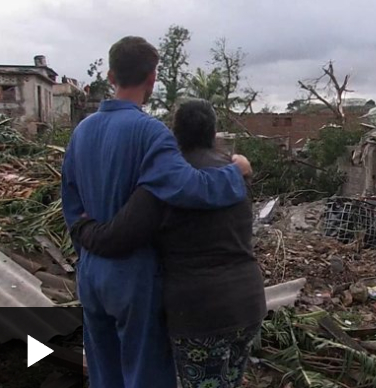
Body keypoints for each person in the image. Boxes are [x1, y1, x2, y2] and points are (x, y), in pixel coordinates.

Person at [61, 37, 252, 388]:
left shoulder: (82, 132)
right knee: (144, 373)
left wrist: (86, 240)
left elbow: (70, 203)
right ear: (152, 78)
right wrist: (234, 172)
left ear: (110, 74)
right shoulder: (151, 133)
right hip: (133, 275)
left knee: (104, 373)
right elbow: (189, 187)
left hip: (90, 272)